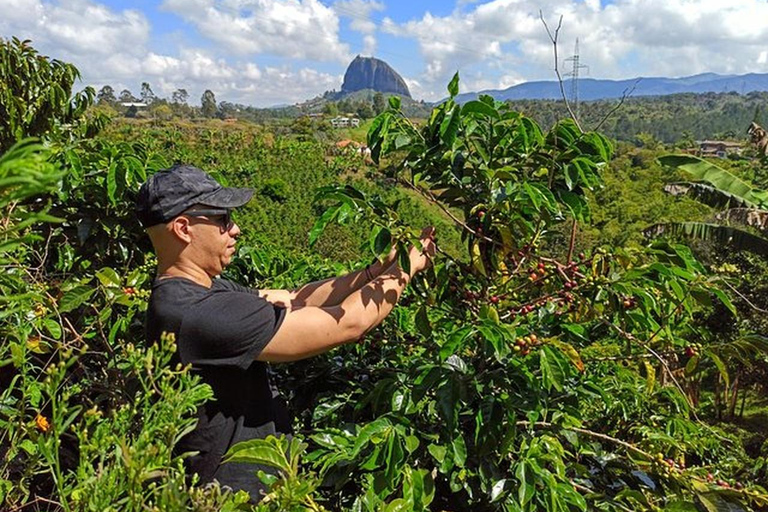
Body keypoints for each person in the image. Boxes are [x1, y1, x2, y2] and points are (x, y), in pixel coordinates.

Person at [135, 164, 435, 501]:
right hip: (235, 500)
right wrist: (410, 266)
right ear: (183, 228)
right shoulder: (204, 314)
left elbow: (297, 298)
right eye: (222, 219)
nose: (235, 229)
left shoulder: (196, 294)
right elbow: (349, 322)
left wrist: (376, 269)